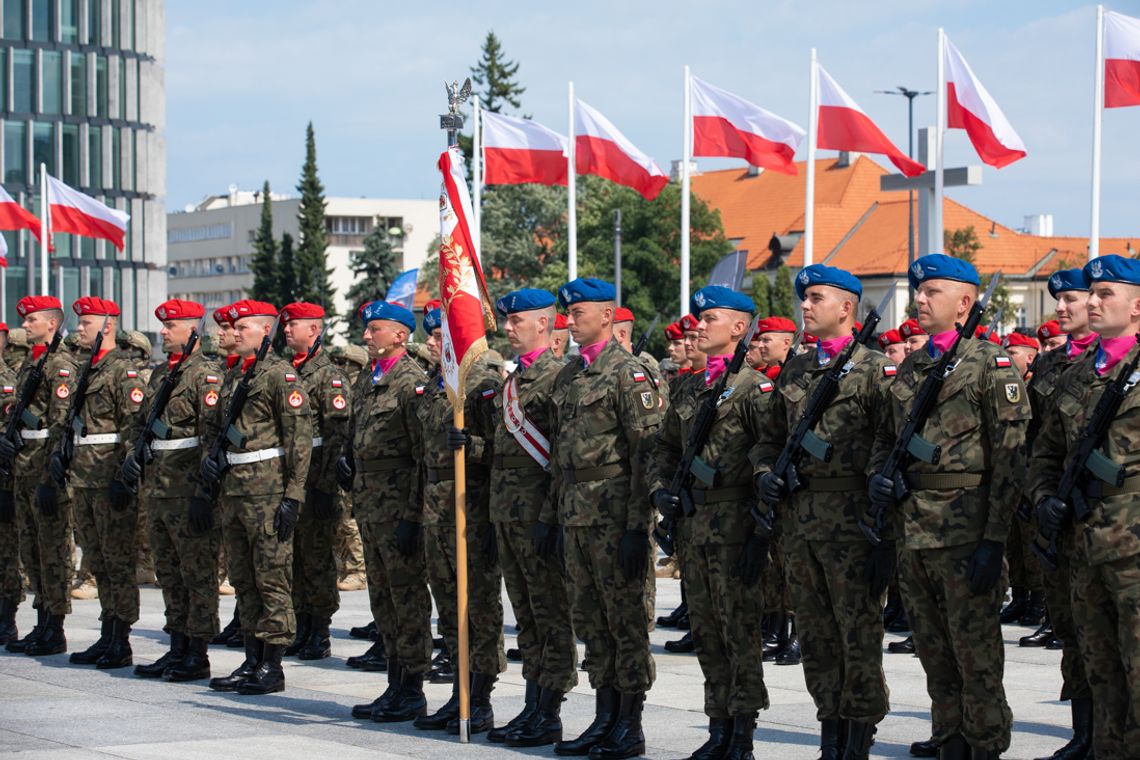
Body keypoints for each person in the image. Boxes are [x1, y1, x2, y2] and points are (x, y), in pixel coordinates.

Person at [870, 254, 1028, 758]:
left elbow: (1011, 461)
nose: (919, 298)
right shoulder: (913, 365)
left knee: (975, 652)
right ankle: (949, 736)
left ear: (964, 303)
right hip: (913, 530)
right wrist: (881, 476)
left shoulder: (990, 364)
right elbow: (886, 437)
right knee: (933, 649)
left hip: (965, 532)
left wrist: (995, 539)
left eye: (931, 291)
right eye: (918, 290)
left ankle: (984, 743)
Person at [757, 265, 894, 760]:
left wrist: (882, 531)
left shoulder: (876, 370)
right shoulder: (795, 369)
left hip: (851, 526)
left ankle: (858, 734)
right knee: (815, 635)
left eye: (816, 298)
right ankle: (830, 731)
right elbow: (769, 440)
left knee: (857, 634)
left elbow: (888, 446)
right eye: (804, 298)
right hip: (800, 525)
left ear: (847, 308)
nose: (806, 306)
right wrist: (763, 474)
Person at [540, 277, 663, 759]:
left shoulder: (628, 374)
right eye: (567, 313)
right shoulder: (570, 376)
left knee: (625, 623)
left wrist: (638, 526)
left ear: (608, 316)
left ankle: (629, 725)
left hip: (615, 519)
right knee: (591, 623)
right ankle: (604, 717)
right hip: (575, 517)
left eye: (578, 313)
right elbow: (559, 457)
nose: (569, 321)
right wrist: (552, 516)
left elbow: (646, 456)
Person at [652, 285, 772, 760]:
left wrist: (761, 534)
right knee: (706, 631)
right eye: (699, 319)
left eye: (711, 319)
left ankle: (742, 731)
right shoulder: (687, 385)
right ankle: (717, 725)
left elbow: (769, 454)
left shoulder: (755, 389)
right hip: (694, 525)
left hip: (735, 527)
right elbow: (665, 448)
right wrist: (661, 490)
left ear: (739, 329)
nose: (698, 326)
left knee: (739, 632)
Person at [1030, 254, 1140, 760]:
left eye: (1105, 295)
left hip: (1133, 546)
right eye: (1089, 293)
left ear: (1136, 306)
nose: (1091, 302)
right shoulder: (1074, 372)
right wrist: (1045, 498)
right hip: (1083, 545)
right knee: (1100, 671)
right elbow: (1045, 453)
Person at [480, 288, 579, 747]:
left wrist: (548, 516)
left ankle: (550, 710)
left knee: (550, 614)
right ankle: (532, 705)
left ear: (544, 324)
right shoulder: (512, 380)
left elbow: (561, 456)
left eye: (517, 320)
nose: (507, 328)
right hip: (507, 513)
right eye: (507, 320)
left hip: (539, 516)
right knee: (527, 618)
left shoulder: (558, 378)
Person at [200, 300, 312, 695]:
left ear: (265, 330)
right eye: (235, 327)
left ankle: (272, 666)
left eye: (244, 326)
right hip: (234, 491)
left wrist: (293, 497)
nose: (235, 332)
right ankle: (251, 659)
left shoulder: (279, 374)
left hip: (267, 491)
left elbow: (298, 440)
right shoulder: (236, 376)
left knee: (272, 579)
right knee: (243, 579)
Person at [413, 306, 506, 734]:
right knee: (449, 608)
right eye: (431, 336)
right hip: (436, 508)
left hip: (471, 508)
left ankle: (480, 698)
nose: (432, 342)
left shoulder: (484, 381)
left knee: (479, 608)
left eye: (439, 336)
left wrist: (473, 444)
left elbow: (503, 450)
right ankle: (459, 693)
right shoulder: (438, 382)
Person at [340, 301, 433, 724]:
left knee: (407, 598)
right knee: (383, 600)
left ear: (399, 334)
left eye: (374, 329)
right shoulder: (368, 378)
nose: (365, 336)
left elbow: (421, 457)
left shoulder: (412, 382)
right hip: (370, 503)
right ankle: (394, 682)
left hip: (398, 508)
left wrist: (414, 516)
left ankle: (411, 687)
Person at [1021, 267, 1097, 759]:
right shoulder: (1050, 369)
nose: (1061, 307)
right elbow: (1034, 443)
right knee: (1071, 627)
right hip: (1057, 517)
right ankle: (1083, 731)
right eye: (1059, 299)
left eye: (1072, 298)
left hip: (1107, 518)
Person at [125, 299, 221, 682]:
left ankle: (197, 653)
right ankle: (176, 646)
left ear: (193, 330)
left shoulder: (206, 376)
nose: (163, 332)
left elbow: (211, 438)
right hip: (159, 488)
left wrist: (204, 492)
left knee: (196, 572)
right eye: (163, 326)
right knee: (168, 571)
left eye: (171, 326)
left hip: (188, 490)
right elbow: (144, 425)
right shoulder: (161, 373)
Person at [55, 297, 146, 670]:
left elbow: (134, 428)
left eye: (86, 322)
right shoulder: (86, 370)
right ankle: (107, 633)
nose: (79, 328)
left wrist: (124, 478)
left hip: (109, 480)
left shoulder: (123, 372)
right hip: (85, 478)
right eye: (79, 323)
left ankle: (120, 639)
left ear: (107, 326)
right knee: (97, 560)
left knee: (118, 561)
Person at [1, 297, 77, 656]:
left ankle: (55, 627)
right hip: (24, 465)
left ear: (51, 324)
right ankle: (41, 619)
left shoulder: (60, 364)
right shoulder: (31, 364)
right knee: (30, 550)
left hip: (44, 467)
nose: (25, 325)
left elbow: (60, 426)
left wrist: (51, 476)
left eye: (32, 320)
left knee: (53, 551)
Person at [280, 302, 350, 662]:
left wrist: (325, 486)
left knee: (317, 557)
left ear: (315, 329)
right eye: (286, 324)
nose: (287, 330)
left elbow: (336, 436)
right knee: (294, 557)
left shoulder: (329, 375)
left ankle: (319, 630)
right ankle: (301, 623)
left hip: (316, 483)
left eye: (295, 325)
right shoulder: (285, 370)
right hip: (289, 482)